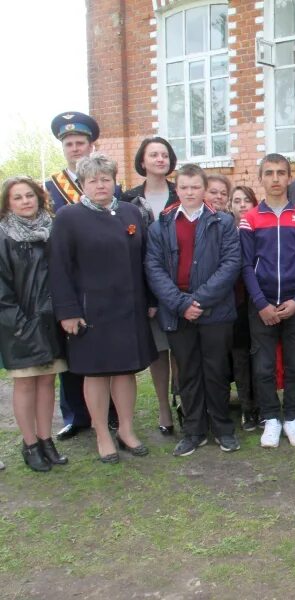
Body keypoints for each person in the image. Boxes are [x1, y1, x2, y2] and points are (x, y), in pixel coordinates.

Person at [49, 153, 156, 463]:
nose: (100, 185)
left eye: (105, 179)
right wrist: (67, 311)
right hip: (90, 312)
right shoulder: (69, 217)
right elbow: (59, 268)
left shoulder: (129, 213)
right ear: (82, 184)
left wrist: (149, 300)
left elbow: (145, 260)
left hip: (129, 309)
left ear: (114, 181)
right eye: (92, 180)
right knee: (95, 374)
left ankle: (125, 430)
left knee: (125, 372)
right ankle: (102, 434)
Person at [145, 164, 242, 456]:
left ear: (204, 189)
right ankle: (194, 430)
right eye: (184, 187)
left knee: (216, 370)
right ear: (177, 189)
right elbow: (153, 267)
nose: (189, 193)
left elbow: (230, 264)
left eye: (195, 187)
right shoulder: (160, 225)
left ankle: (222, 428)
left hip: (215, 311)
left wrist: (199, 300)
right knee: (187, 372)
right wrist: (182, 303)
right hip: (178, 310)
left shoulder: (222, 222)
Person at [239, 153, 295, 449]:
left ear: (289, 177)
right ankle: (271, 417)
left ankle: (293, 417)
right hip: (262, 304)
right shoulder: (250, 219)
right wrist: (261, 304)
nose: (275, 179)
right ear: (260, 178)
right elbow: (246, 265)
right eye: (269, 173)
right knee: (263, 365)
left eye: (280, 173)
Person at [44, 111, 113, 441]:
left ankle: (110, 414)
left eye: (80, 142)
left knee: (108, 351)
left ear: (91, 144)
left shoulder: (108, 183)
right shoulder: (49, 188)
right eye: (69, 143)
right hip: (69, 280)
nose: (75, 148)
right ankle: (75, 415)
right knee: (71, 353)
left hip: (104, 283)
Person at [0, 177, 68, 471]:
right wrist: (20, 324)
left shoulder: (52, 230)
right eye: (18, 198)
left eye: (30, 195)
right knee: (26, 382)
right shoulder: (4, 236)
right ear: (8, 204)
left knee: (47, 381)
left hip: (51, 321)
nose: (26, 201)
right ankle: (29, 444)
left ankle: (46, 439)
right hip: (19, 323)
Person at [121, 136, 179, 436]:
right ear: (142, 161)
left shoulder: (181, 193)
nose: (160, 159)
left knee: (181, 350)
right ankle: (164, 409)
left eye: (164, 154)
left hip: (181, 285)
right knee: (159, 352)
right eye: (153, 154)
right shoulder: (128, 200)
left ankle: (182, 401)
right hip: (147, 286)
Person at [229, 185, 259, 431]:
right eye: (236, 201)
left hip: (259, 299)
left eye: (246, 200)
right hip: (235, 303)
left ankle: (260, 404)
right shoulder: (227, 231)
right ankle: (246, 408)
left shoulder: (260, 229)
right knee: (239, 356)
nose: (242, 205)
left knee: (258, 355)